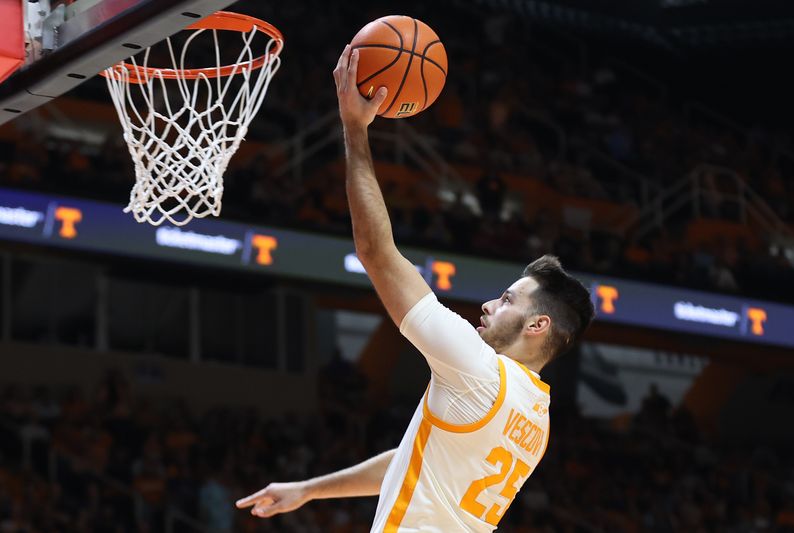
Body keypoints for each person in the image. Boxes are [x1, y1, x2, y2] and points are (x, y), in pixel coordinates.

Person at [235, 45, 595, 532]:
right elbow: (413, 462)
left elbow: (377, 254)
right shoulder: (536, 417)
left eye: (508, 299)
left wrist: (355, 129)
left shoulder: (478, 370)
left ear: (538, 324)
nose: (489, 304)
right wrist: (310, 489)